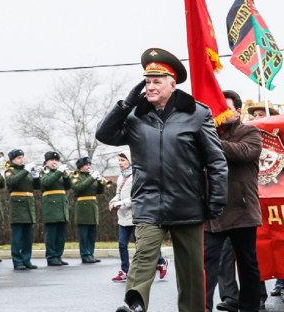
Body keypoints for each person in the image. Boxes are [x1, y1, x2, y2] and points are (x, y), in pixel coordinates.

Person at [97, 47, 228, 312]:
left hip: (187, 202)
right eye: (147, 81)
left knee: (191, 269)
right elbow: (105, 134)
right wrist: (124, 105)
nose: (151, 86)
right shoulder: (135, 116)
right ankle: (134, 303)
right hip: (147, 201)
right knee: (144, 254)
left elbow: (216, 160)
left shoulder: (197, 114)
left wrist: (216, 200)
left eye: (157, 81)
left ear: (173, 83)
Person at [204, 90, 263, 312]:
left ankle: (249, 307)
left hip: (242, 210)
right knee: (207, 264)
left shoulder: (250, 132)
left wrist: (210, 139)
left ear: (238, 111)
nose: (220, 112)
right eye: (216, 108)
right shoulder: (208, 133)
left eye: (225, 107)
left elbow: (245, 153)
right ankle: (203, 306)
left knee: (247, 264)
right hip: (212, 211)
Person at [109, 153, 170, 283]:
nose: (120, 163)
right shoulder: (121, 177)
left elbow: (138, 196)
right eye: (119, 160)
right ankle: (125, 271)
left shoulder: (137, 175)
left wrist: (121, 203)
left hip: (137, 216)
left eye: (123, 160)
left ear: (130, 161)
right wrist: (113, 201)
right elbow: (118, 194)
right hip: (123, 217)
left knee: (143, 245)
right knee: (122, 244)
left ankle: (161, 261)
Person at [4, 149, 39, 270]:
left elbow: (37, 187)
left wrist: (36, 177)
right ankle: (17, 261)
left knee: (28, 236)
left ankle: (26, 259)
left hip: (29, 204)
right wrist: (26, 171)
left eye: (22, 157)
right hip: (18, 205)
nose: (21, 159)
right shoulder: (10, 171)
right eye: (19, 158)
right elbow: (11, 182)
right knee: (17, 236)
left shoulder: (26, 172)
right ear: (12, 160)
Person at [41, 151, 72, 266]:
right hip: (51, 208)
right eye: (51, 160)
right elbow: (46, 183)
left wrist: (65, 176)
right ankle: (51, 256)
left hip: (62, 207)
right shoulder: (43, 171)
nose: (54, 162)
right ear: (46, 162)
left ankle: (58, 256)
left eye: (56, 160)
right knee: (51, 234)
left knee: (61, 234)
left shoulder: (59, 173)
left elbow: (68, 186)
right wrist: (59, 172)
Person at [71, 156, 104, 264]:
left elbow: (99, 191)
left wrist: (99, 182)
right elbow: (78, 188)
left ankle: (90, 253)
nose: (89, 166)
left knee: (91, 233)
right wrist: (92, 178)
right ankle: (85, 255)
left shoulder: (91, 176)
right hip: (83, 207)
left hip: (92, 206)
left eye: (90, 165)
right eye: (86, 165)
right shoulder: (76, 175)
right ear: (80, 167)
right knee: (84, 233)